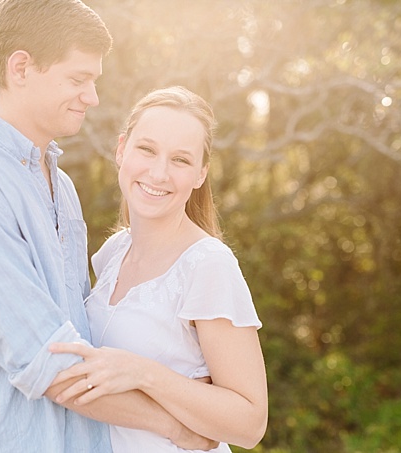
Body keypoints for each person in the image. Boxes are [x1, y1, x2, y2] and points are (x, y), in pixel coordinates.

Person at [0, 1, 216, 451]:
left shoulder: (62, 185)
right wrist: (176, 425)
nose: (91, 97)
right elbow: (50, 364)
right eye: (78, 79)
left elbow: (90, 333)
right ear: (21, 68)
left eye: (93, 81)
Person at [48, 86, 269, 451]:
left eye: (180, 160)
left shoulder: (207, 265)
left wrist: (144, 373)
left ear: (200, 174)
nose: (159, 172)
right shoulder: (113, 252)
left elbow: (250, 423)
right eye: (147, 150)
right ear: (121, 150)